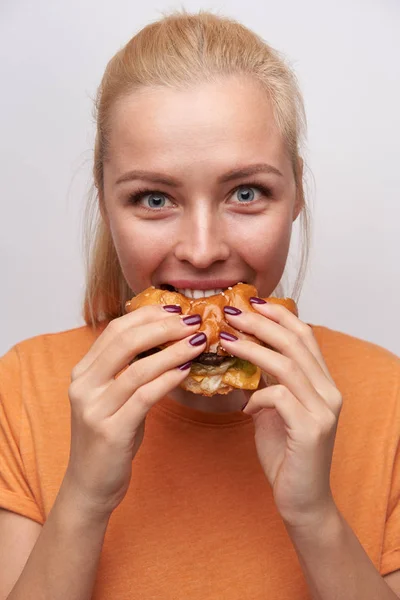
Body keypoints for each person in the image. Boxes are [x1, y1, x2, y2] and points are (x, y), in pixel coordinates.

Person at [1, 8, 399, 600]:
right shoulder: (23, 389)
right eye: (154, 198)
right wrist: (84, 497)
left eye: (246, 193)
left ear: (296, 195)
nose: (204, 250)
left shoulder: (388, 398)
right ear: (106, 204)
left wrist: (314, 516)